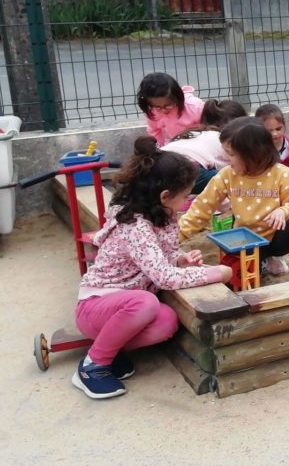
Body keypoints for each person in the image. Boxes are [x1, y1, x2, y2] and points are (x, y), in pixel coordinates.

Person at [73, 137, 232, 399]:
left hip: (125, 306)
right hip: (96, 306)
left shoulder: (162, 216)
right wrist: (215, 273)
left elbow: (161, 257)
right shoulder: (134, 225)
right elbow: (165, 278)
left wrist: (181, 260)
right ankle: (92, 365)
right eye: (185, 196)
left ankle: (110, 350)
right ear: (164, 196)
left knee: (167, 321)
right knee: (146, 302)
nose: (186, 202)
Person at [179, 117, 289, 279]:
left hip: (277, 240)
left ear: (253, 155)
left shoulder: (282, 174)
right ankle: (264, 261)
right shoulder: (227, 175)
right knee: (242, 277)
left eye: (231, 154)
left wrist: (282, 211)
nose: (226, 158)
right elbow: (202, 208)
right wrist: (175, 237)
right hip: (247, 243)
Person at [161, 99, 247, 195]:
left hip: (157, 163)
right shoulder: (224, 140)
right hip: (184, 170)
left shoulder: (192, 132)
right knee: (241, 176)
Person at [137, 72, 205, 146]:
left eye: (168, 106)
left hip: (199, 145)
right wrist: (162, 148)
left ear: (178, 98)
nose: (163, 110)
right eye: (158, 107)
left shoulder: (194, 106)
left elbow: (210, 126)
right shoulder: (152, 112)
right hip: (174, 147)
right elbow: (154, 131)